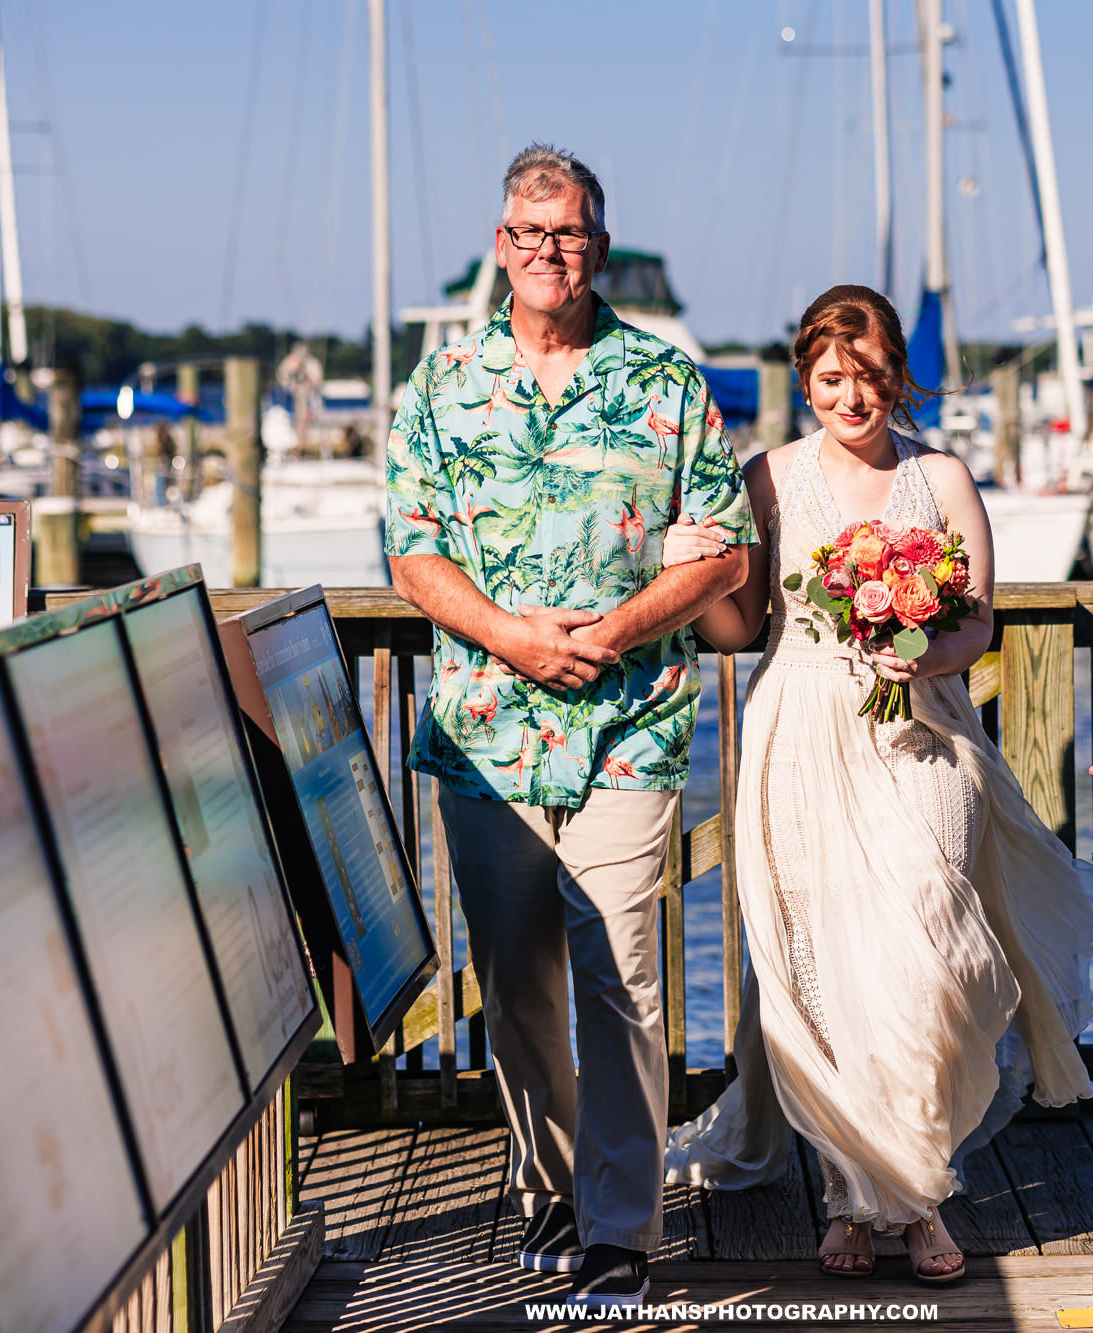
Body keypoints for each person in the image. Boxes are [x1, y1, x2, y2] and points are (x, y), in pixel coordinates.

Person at [658, 285, 1093, 1284]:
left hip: (921, 733)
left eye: (865, 379)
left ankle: (907, 1181)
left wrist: (927, 654)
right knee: (823, 973)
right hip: (799, 728)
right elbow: (737, 634)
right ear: (804, 379)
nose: (848, 400)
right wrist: (694, 570)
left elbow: (978, 619)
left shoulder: (938, 477)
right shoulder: (765, 478)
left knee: (929, 955)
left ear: (893, 373)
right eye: (828, 381)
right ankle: (871, 1203)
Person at [384, 144, 753, 1310]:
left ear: (598, 243)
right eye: (532, 235)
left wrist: (619, 625)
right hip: (486, 726)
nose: (553, 254)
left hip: (628, 724)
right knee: (518, 982)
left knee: (622, 976)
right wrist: (514, 638)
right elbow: (411, 553)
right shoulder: (439, 386)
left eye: (573, 235)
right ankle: (547, 1183)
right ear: (502, 245)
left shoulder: (665, 380)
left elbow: (728, 552)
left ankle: (620, 1227)